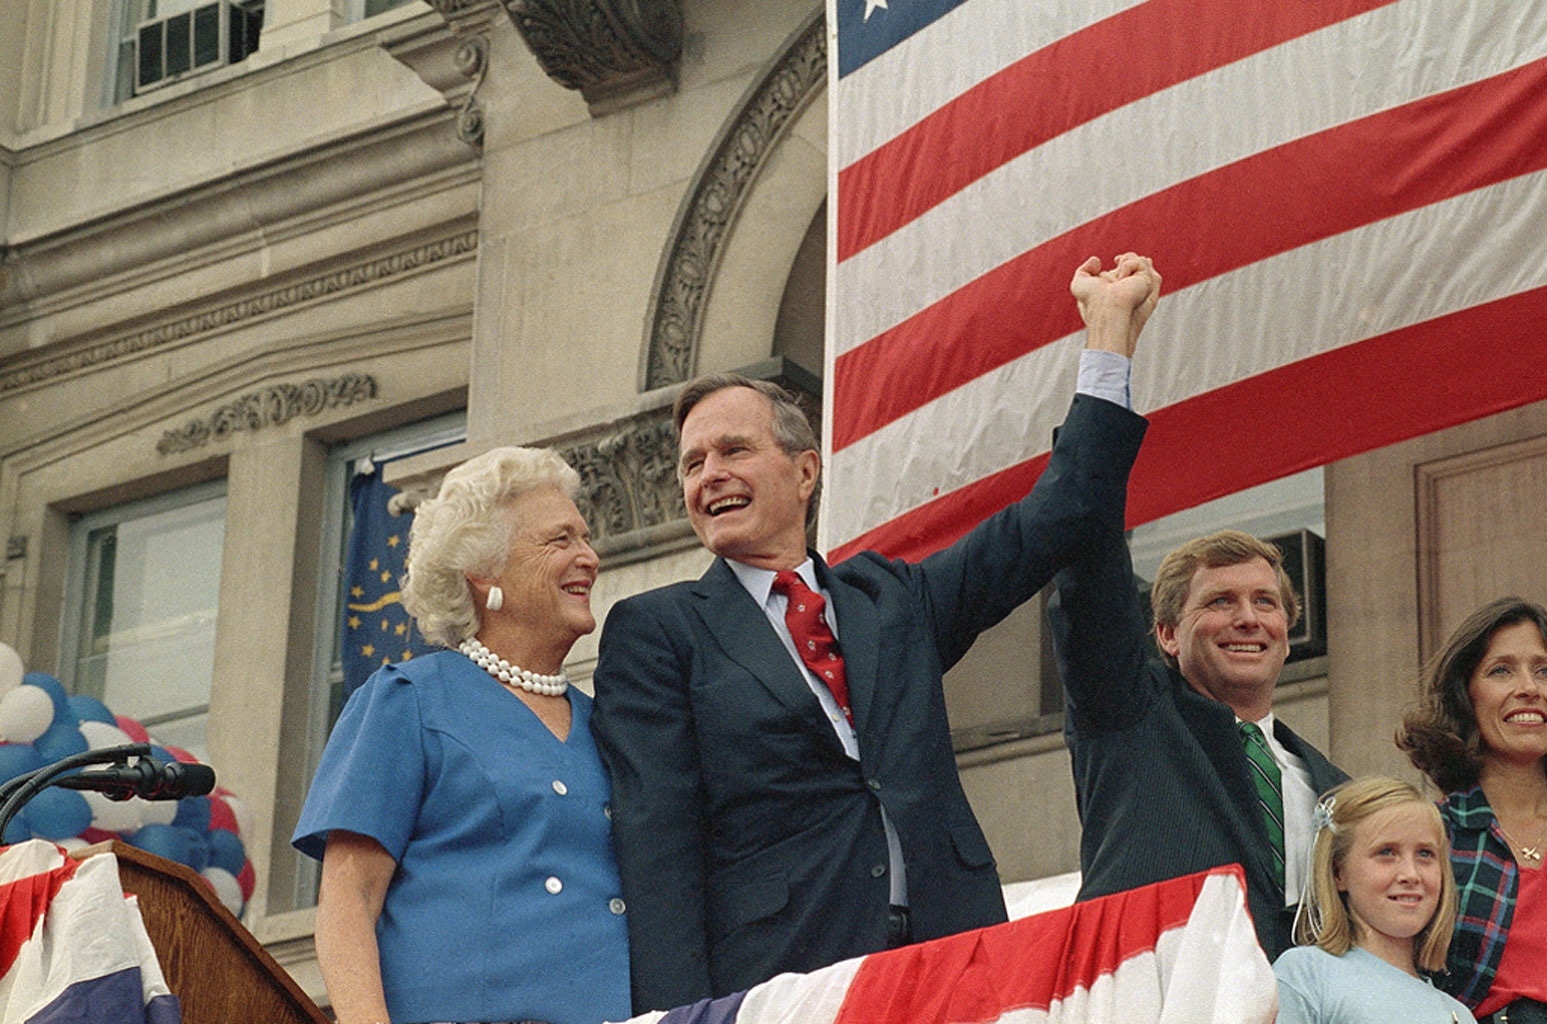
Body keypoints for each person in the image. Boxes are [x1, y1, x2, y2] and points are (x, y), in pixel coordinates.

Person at [590, 254, 1161, 1012]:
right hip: (787, 980)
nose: (707, 476)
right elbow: (654, 842)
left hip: (950, 955)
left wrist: (1107, 338)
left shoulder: (892, 600)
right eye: (692, 464)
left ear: (803, 472)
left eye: (733, 450)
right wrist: (677, 1015)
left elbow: (1059, 515)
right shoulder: (658, 631)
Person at [292, 447, 629, 1024]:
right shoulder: (408, 701)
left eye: (586, 538)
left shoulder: (611, 726)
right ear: (483, 571)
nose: (589, 558)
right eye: (560, 541)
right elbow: (349, 901)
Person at [1050, 526, 1349, 961]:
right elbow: (1089, 587)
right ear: (1168, 635)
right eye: (1220, 601)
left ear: (1285, 635)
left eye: (1265, 602)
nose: (1248, 618)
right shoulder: (1130, 715)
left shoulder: (1338, 790)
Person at [1397, 597, 1547, 1021]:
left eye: (1544, 670)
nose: (1529, 688)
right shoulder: (1432, 836)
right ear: (1465, 695)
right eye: (1501, 670)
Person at [1272, 776, 1476, 1024]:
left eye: (1425, 854)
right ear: (1339, 873)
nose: (1411, 875)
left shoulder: (1459, 1014)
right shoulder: (1305, 974)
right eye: (1386, 852)